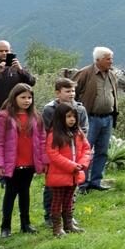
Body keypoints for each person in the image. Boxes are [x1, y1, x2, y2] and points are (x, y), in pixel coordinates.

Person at [0, 83, 47, 237]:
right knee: (10, 194)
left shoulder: (36, 117)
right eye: (23, 97)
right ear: (14, 97)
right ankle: (5, 227)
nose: (27, 100)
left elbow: (42, 140)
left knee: (25, 193)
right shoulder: (4, 117)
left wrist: (43, 161)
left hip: (29, 162)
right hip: (12, 163)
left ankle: (26, 224)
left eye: (29, 97)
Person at [40, 78, 89, 227]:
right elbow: (48, 137)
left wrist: (81, 163)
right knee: (54, 193)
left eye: (73, 90)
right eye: (67, 91)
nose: (71, 94)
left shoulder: (80, 109)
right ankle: (52, 218)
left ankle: (68, 219)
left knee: (70, 193)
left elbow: (85, 135)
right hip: (59, 162)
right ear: (58, 92)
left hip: (75, 160)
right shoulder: (50, 110)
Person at [73, 46, 118, 192]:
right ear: (98, 60)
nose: (111, 61)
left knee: (102, 151)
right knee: (85, 151)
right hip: (90, 118)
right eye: (108, 59)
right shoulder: (85, 73)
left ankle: (96, 180)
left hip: (107, 119)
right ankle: (82, 183)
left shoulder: (111, 75)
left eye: (111, 58)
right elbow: (73, 92)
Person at [44, 102, 91, 237]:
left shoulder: (78, 133)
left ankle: (68, 224)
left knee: (69, 199)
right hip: (60, 174)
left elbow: (86, 149)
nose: (72, 120)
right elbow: (53, 154)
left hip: (74, 173)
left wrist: (82, 163)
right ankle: (57, 227)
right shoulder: (54, 134)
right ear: (60, 118)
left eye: (74, 117)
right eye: (68, 117)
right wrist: (71, 165)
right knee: (57, 200)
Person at [0, 40, 36, 112]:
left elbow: (32, 82)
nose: (4, 53)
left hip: (16, 111)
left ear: (11, 51)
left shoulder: (19, 68)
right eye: (1, 51)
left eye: (6, 51)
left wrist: (20, 70)